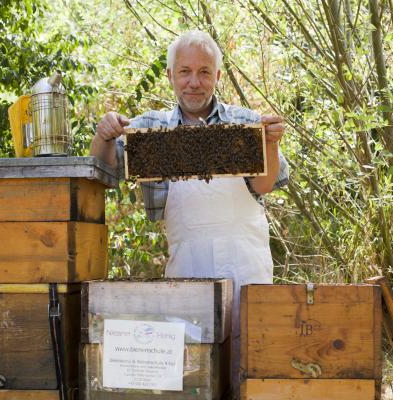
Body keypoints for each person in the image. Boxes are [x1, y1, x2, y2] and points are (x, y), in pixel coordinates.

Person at [90, 30, 289, 397]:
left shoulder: (245, 124)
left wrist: (271, 143)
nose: (194, 82)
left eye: (204, 72)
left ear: (217, 76)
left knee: (250, 374)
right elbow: (103, 174)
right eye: (184, 71)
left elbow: (264, 186)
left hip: (248, 270)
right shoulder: (149, 128)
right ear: (169, 75)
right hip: (186, 273)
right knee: (193, 380)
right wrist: (103, 136)